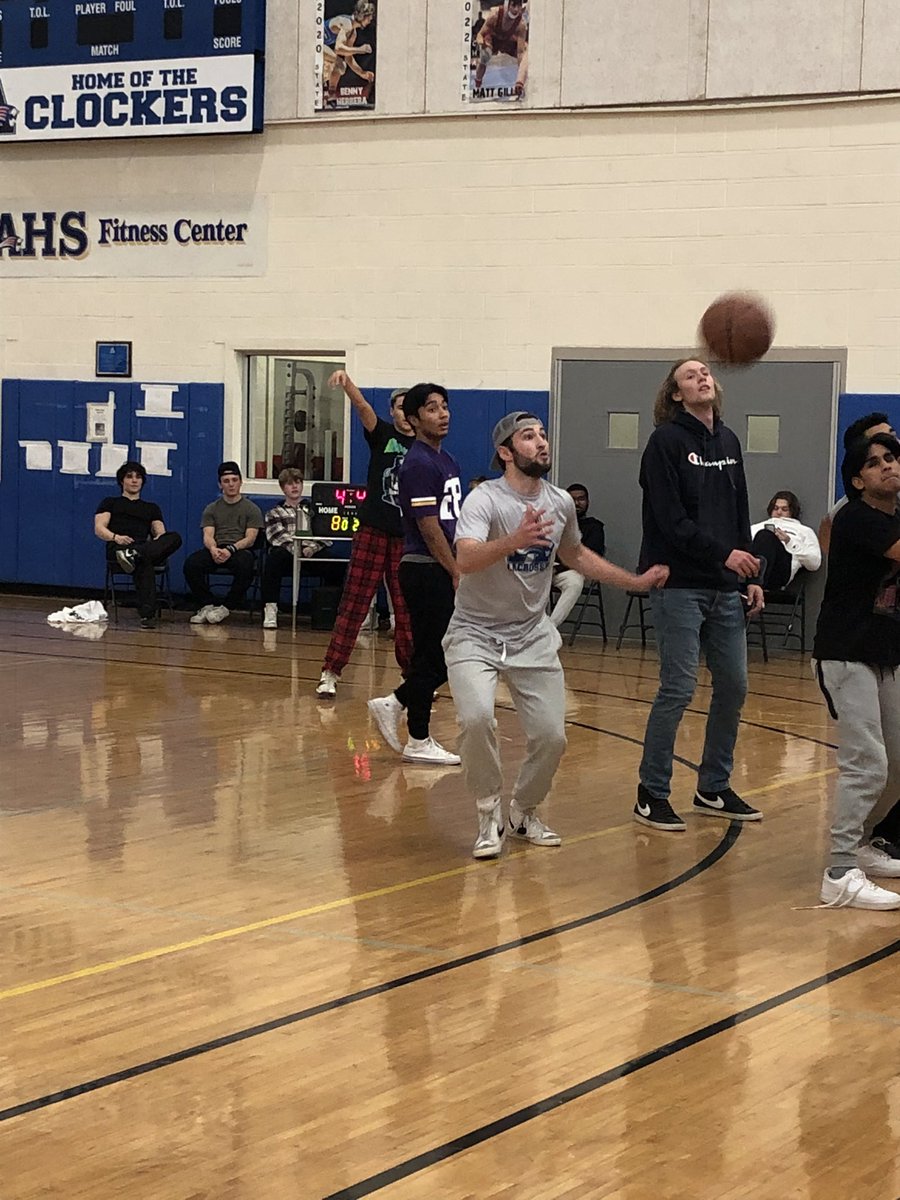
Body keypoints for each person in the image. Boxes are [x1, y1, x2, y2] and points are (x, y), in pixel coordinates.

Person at [445, 413, 668, 859]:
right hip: (475, 632)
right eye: (528, 437)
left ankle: (524, 810)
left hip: (531, 635)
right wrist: (515, 538)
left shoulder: (561, 502)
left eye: (543, 434)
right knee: (474, 720)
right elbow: (465, 560)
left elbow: (574, 554)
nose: (541, 442)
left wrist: (635, 582)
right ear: (506, 452)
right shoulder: (484, 499)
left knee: (553, 737)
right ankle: (488, 809)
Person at [635, 358, 764, 831]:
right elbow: (670, 520)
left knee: (734, 685)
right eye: (690, 375)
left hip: (725, 586)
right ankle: (651, 792)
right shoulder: (664, 443)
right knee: (678, 687)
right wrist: (722, 555)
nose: (702, 377)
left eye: (706, 372)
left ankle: (713, 785)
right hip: (679, 584)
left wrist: (749, 571)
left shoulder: (728, 441)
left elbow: (740, 508)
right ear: (674, 393)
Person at [812, 432, 900, 910]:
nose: (887, 466)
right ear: (858, 480)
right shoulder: (860, 519)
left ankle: (864, 844)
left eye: (892, 458)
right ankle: (840, 870)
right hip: (845, 653)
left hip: (887, 652)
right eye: (875, 463)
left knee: (898, 761)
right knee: (867, 763)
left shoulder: (894, 515)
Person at [367, 384, 462, 766]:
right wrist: (454, 570)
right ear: (414, 418)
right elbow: (428, 525)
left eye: (445, 406)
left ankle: (398, 705)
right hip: (426, 569)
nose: (443, 414)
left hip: (443, 567)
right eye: (432, 408)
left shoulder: (448, 461)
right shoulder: (419, 463)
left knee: (435, 655)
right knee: (435, 657)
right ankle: (417, 735)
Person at [316, 373, 414, 696]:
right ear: (392, 411)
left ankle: (412, 675)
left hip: (406, 537)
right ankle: (331, 670)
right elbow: (360, 406)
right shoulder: (382, 433)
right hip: (372, 530)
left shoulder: (425, 448)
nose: (404, 412)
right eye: (399, 407)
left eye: (410, 407)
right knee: (355, 601)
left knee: (406, 608)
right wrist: (347, 383)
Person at [94, 460, 183, 629]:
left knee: (174, 537)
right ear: (122, 481)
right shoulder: (110, 502)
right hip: (119, 548)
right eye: (129, 477)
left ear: (143, 481)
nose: (134, 480)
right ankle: (147, 615)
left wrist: (155, 544)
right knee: (144, 562)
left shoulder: (151, 508)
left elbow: (160, 534)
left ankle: (136, 553)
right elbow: (99, 528)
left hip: (143, 548)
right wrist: (116, 537)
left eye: (138, 477)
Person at [184, 462, 264, 624]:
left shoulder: (252, 509)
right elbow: (207, 534)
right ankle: (207, 604)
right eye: (226, 481)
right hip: (217, 548)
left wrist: (231, 549)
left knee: (246, 565)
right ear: (220, 485)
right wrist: (213, 549)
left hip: (239, 549)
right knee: (191, 564)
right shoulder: (211, 508)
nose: (231, 484)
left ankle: (226, 607)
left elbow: (251, 538)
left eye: (234, 480)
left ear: (241, 482)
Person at [262, 467, 334, 630]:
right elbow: (276, 536)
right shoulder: (274, 512)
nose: (294, 487)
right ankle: (271, 608)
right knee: (274, 559)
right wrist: (297, 548)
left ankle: (329, 611)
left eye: (298, 482)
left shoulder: (314, 510)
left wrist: (312, 548)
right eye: (289, 484)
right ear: (282, 488)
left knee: (335, 562)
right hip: (288, 554)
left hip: (311, 553)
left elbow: (326, 534)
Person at [819, 412, 897, 554]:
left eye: (893, 436)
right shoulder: (857, 512)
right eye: (873, 463)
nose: (894, 442)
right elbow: (827, 523)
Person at [549, 482, 607, 627]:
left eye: (581, 499)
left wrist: (558, 569)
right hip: (547, 567)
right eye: (572, 499)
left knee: (575, 583)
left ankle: (549, 629)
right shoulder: (554, 524)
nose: (576, 503)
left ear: (587, 502)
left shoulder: (594, 527)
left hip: (571, 570)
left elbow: (586, 558)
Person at [749, 490, 821, 590]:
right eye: (776, 508)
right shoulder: (755, 527)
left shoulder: (804, 531)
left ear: (792, 511)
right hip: (751, 569)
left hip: (779, 573)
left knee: (765, 536)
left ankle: (755, 583)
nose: (779, 512)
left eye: (784, 509)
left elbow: (814, 563)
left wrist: (789, 542)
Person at [322, 1, 376, 106]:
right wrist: (360, 49)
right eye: (369, 17)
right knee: (337, 63)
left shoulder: (353, 33)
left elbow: (348, 58)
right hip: (314, 43)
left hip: (322, 45)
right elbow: (339, 48)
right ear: (362, 16)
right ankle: (327, 90)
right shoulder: (346, 23)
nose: (370, 21)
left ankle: (331, 94)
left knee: (341, 66)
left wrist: (362, 73)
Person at [473, 0, 529, 97]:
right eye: (513, 5)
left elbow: (520, 53)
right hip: (492, 39)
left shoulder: (521, 25)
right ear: (507, 5)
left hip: (507, 41)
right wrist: (482, 43)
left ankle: (519, 84)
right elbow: (480, 35)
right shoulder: (495, 14)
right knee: (485, 55)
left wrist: (521, 75)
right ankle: (477, 84)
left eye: (518, 6)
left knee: (527, 51)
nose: (516, 9)